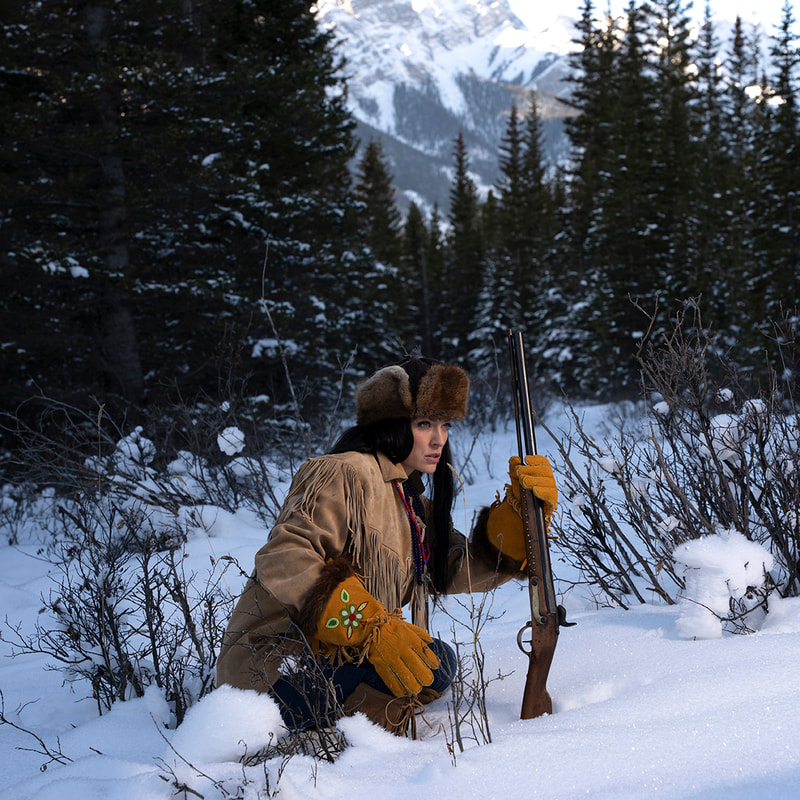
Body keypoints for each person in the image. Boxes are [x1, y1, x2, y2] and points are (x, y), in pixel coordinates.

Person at [215, 355, 557, 738]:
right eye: (424, 423)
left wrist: (516, 519)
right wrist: (369, 626)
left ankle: (349, 733)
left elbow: (456, 567)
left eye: (445, 425)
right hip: (271, 675)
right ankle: (343, 740)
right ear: (392, 423)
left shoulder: (410, 504)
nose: (438, 438)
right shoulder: (344, 471)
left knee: (435, 661)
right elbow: (286, 556)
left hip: (332, 666)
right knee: (412, 665)